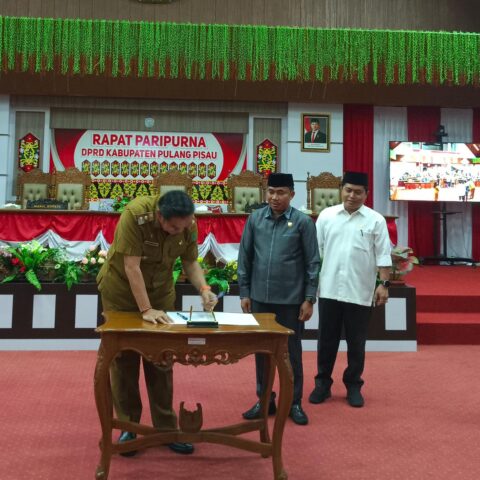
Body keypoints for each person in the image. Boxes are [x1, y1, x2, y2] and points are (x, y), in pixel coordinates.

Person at [97, 190, 217, 455]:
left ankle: (165, 428)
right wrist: (146, 309)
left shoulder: (187, 222)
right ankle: (129, 427)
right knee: (124, 358)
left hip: (160, 293)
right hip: (122, 294)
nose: (178, 231)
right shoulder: (135, 215)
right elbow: (131, 266)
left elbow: (190, 261)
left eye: (182, 227)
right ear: (160, 216)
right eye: (173, 228)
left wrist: (204, 289)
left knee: (162, 358)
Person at [238, 173, 320, 425]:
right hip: (260, 299)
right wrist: (244, 292)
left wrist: (309, 298)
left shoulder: (303, 222)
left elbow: (313, 262)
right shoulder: (255, 219)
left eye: (281, 192)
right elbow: (245, 257)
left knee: (291, 353)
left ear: (292, 194)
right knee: (261, 352)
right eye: (271, 191)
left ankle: (293, 402)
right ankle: (265, 400)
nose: (275, 197)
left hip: (291, 301)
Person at [308, 171, 392, 408]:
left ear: (366, 194)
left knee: (356, 343)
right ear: (341, 190)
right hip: (329, 290)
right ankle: (322, 384)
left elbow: (383, 255)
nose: (352, 196)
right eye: (348, 190)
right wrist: (311, 287)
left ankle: (353, 385)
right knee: (326, 341)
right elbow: (315, 253)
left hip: (360, 291)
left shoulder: (376, 220)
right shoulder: (327, 216)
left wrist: (384, 285)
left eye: (358, 192)